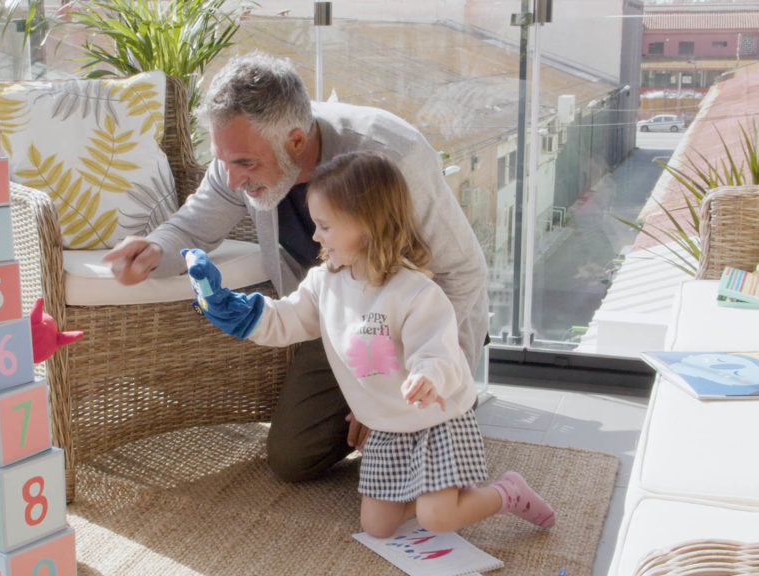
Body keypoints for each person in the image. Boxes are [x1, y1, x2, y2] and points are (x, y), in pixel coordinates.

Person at [103, 52, 489, 482]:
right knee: (292, 457)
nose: (231, 180)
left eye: (245, 165)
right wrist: (154, 248)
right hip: (338, 322)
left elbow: (463, 274)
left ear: (296, 142)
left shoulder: (393, 157)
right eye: (223, 160)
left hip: (419, 327)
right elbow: (192, 227)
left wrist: (396, 403)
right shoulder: (238, 155)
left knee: (433, 461)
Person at [184, 151, 553, 537]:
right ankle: (441, 488)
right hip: (387, 427)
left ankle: (506, 492)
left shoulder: (414, 292)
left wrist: (427, 377)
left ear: (367, 225)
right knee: (377, 527)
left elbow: (437, 349)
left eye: (325, 226)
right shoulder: (324, 282)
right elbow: (287, 318)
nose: (315, 236)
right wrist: (236, 311)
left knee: (436, 520)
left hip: (434, 420)